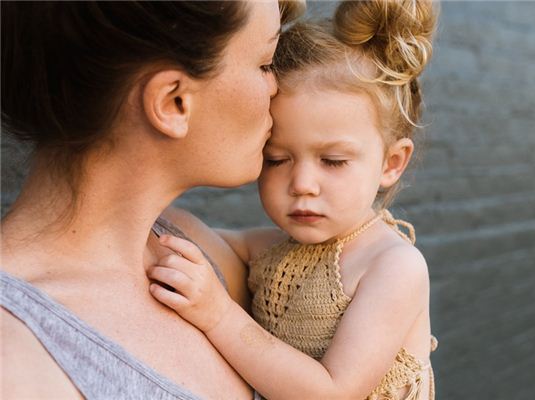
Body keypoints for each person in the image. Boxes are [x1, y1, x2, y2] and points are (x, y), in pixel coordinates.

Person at [0, 1, 304, 399]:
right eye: (265, 63)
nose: (277, 86)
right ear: (173, 102)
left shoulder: (195, 251)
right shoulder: (16, 359)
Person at [147, 1, 439, 399]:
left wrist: (219, 316)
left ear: (391, 163)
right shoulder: (274, 250)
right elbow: (191, 233)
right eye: (277, 159)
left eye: (332, 162)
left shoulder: (392, 267)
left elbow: (332, 393)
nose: (302, 184)